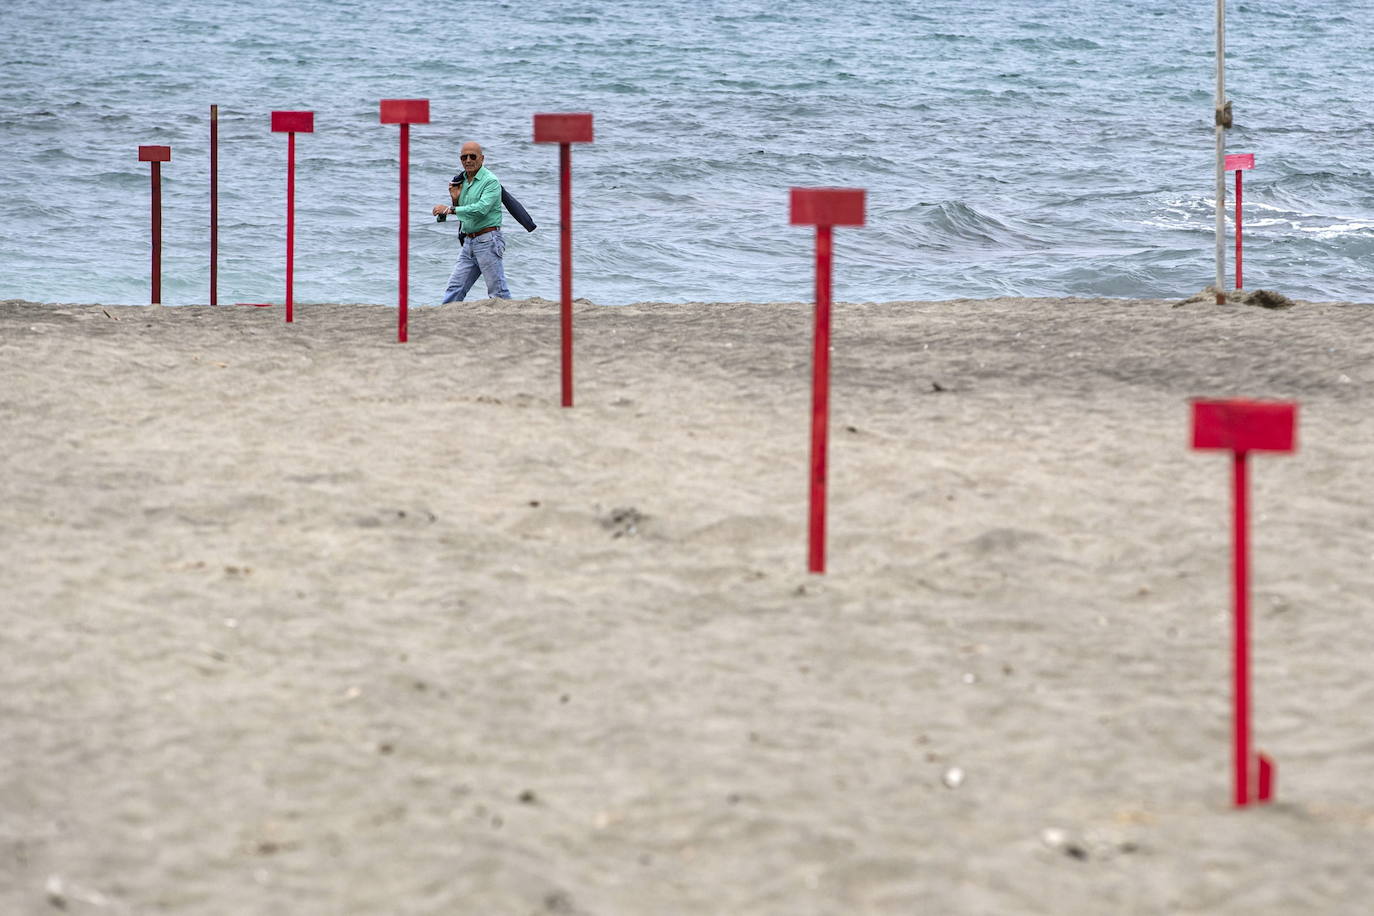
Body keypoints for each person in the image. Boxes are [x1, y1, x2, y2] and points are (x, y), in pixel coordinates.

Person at [433, 142, 510, 301]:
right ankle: (444, 321)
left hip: (488, 241)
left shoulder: (490, 181)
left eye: (472, 156)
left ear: (482, 159)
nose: (468, 160)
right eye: (464, 157)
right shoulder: (462, 181)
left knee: (498, 293)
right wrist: (454, 201)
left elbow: (481, 209)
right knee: (455, 288)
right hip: (469, 242)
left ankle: (511, 323)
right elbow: (462, 213)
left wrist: (450, 209)